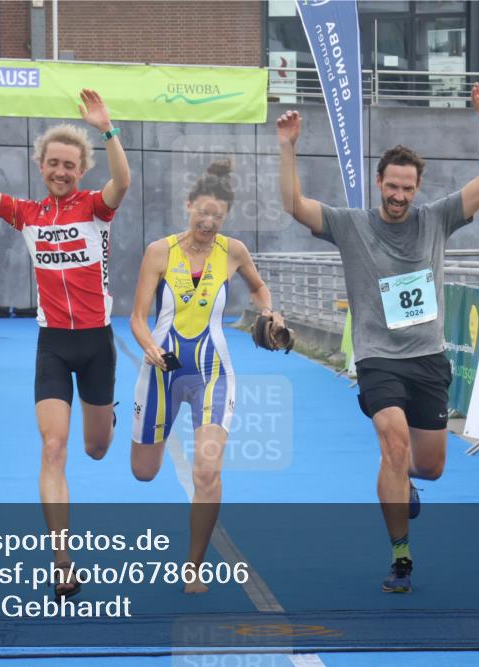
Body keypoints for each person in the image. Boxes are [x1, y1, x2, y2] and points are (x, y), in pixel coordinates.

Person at [276, 83, 479, 593]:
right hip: (379, 359)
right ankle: (401, 555)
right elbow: (294, 203)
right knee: (393, 443)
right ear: (379, 183)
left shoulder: (437, 219)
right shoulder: (350, 225)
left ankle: (403, 484)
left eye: (408, 188)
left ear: (417, 189)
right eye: (392, 187)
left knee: (430, 466)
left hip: (428, 358)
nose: (399, 196)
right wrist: (288, 146)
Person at [0, 87, 130, 598]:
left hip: (96, 343)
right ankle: (62, 561)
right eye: (53, 164)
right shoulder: (26, 213)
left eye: (70, 165)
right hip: (52, 343)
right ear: (41, 165)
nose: (61, 171)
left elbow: (124, 181)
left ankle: (105, 414)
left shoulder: (94, 207)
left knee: (94, 449)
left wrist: (106, 128)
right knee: (52, 447)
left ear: (80, 169)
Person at [130, 160, 287, 594]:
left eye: (217, 215)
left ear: (225, 217)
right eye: (202, 212)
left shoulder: (233, 251)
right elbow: (137, 317)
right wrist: (148, 347)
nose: (208, 221)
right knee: (143, 471)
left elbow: (257, 286)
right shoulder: (159, 251)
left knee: (207, 470)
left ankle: (193, 568)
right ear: (188, 206)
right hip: (161, 369)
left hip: (212, 372)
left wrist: (268, 309)